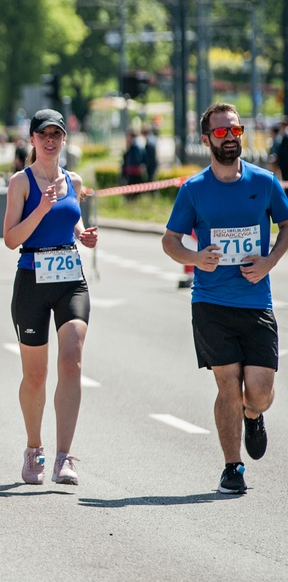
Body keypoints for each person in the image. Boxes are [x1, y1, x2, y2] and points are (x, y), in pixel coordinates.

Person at [162, 102, 288, 494]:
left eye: (235, 131)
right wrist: (196, 258)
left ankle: (253, 415)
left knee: (261, 391)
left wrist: (269, 261)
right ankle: (232, 467)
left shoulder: (264, 182)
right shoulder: (194, 190)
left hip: (255, 302)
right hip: (211, 303)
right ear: (206, 140)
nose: (230, 138)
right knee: (228, 385)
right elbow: (170, 241)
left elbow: (286, 225)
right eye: (221, 133)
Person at [2, 109, 98, 487]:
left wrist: (82, 234)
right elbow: (10, 238)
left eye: (57, 134)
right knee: (36, 374)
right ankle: (33, 447)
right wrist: (40, 207)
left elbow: (69, 222)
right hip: (31, 279)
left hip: (70, 278)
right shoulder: (20, 183)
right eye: (44, 134)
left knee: (72, 358)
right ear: (33, 139)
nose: (51, 140)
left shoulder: (72, 179)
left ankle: (63, 457)